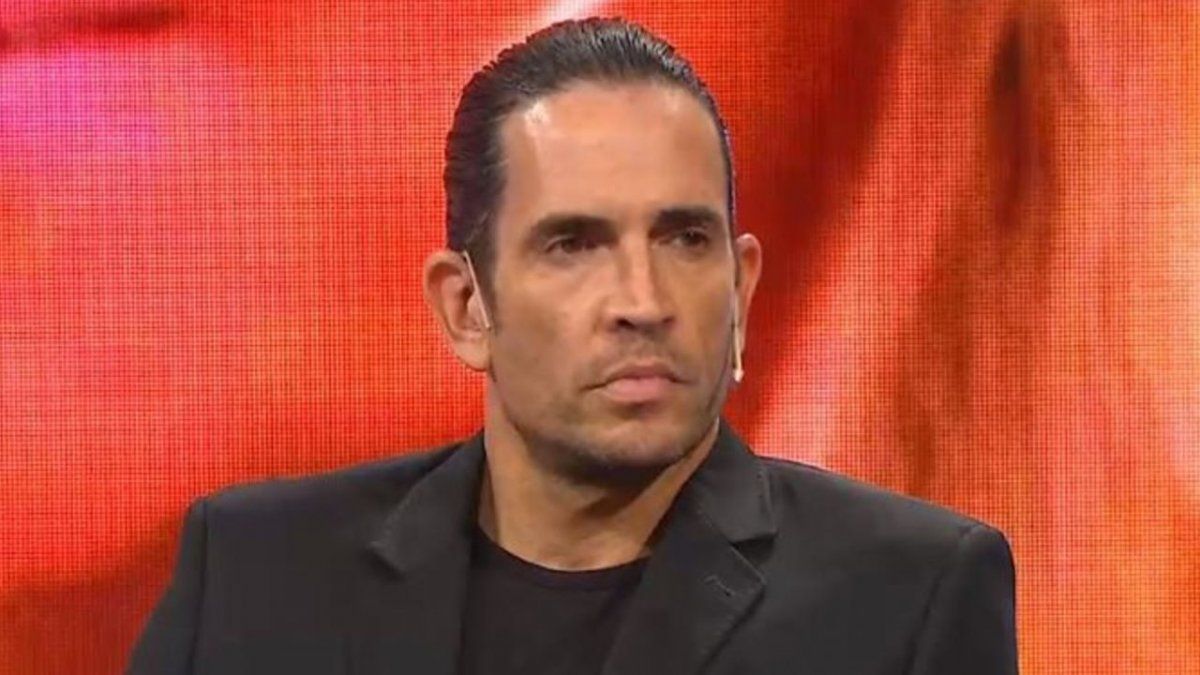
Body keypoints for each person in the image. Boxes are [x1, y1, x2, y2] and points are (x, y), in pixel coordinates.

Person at [128, 17, 1017, 675]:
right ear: (466, 306)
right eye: (573, 245)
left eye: (685, 239)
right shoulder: (255, 575)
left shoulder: (909, 596)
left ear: (742, 289)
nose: (643, 302)